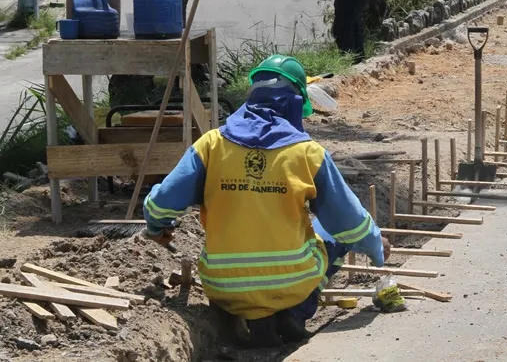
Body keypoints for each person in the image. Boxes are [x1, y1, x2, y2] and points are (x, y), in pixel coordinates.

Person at [143, 55, 390, 348]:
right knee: (336, 230)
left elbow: (160, 203)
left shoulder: (211, 145)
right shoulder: (308, 154)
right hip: (291, 284)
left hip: (223, 285)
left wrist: (159, 227)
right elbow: (349, 221)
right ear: (296, 103)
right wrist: (376, 247)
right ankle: (295, 313)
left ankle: (250, 320)